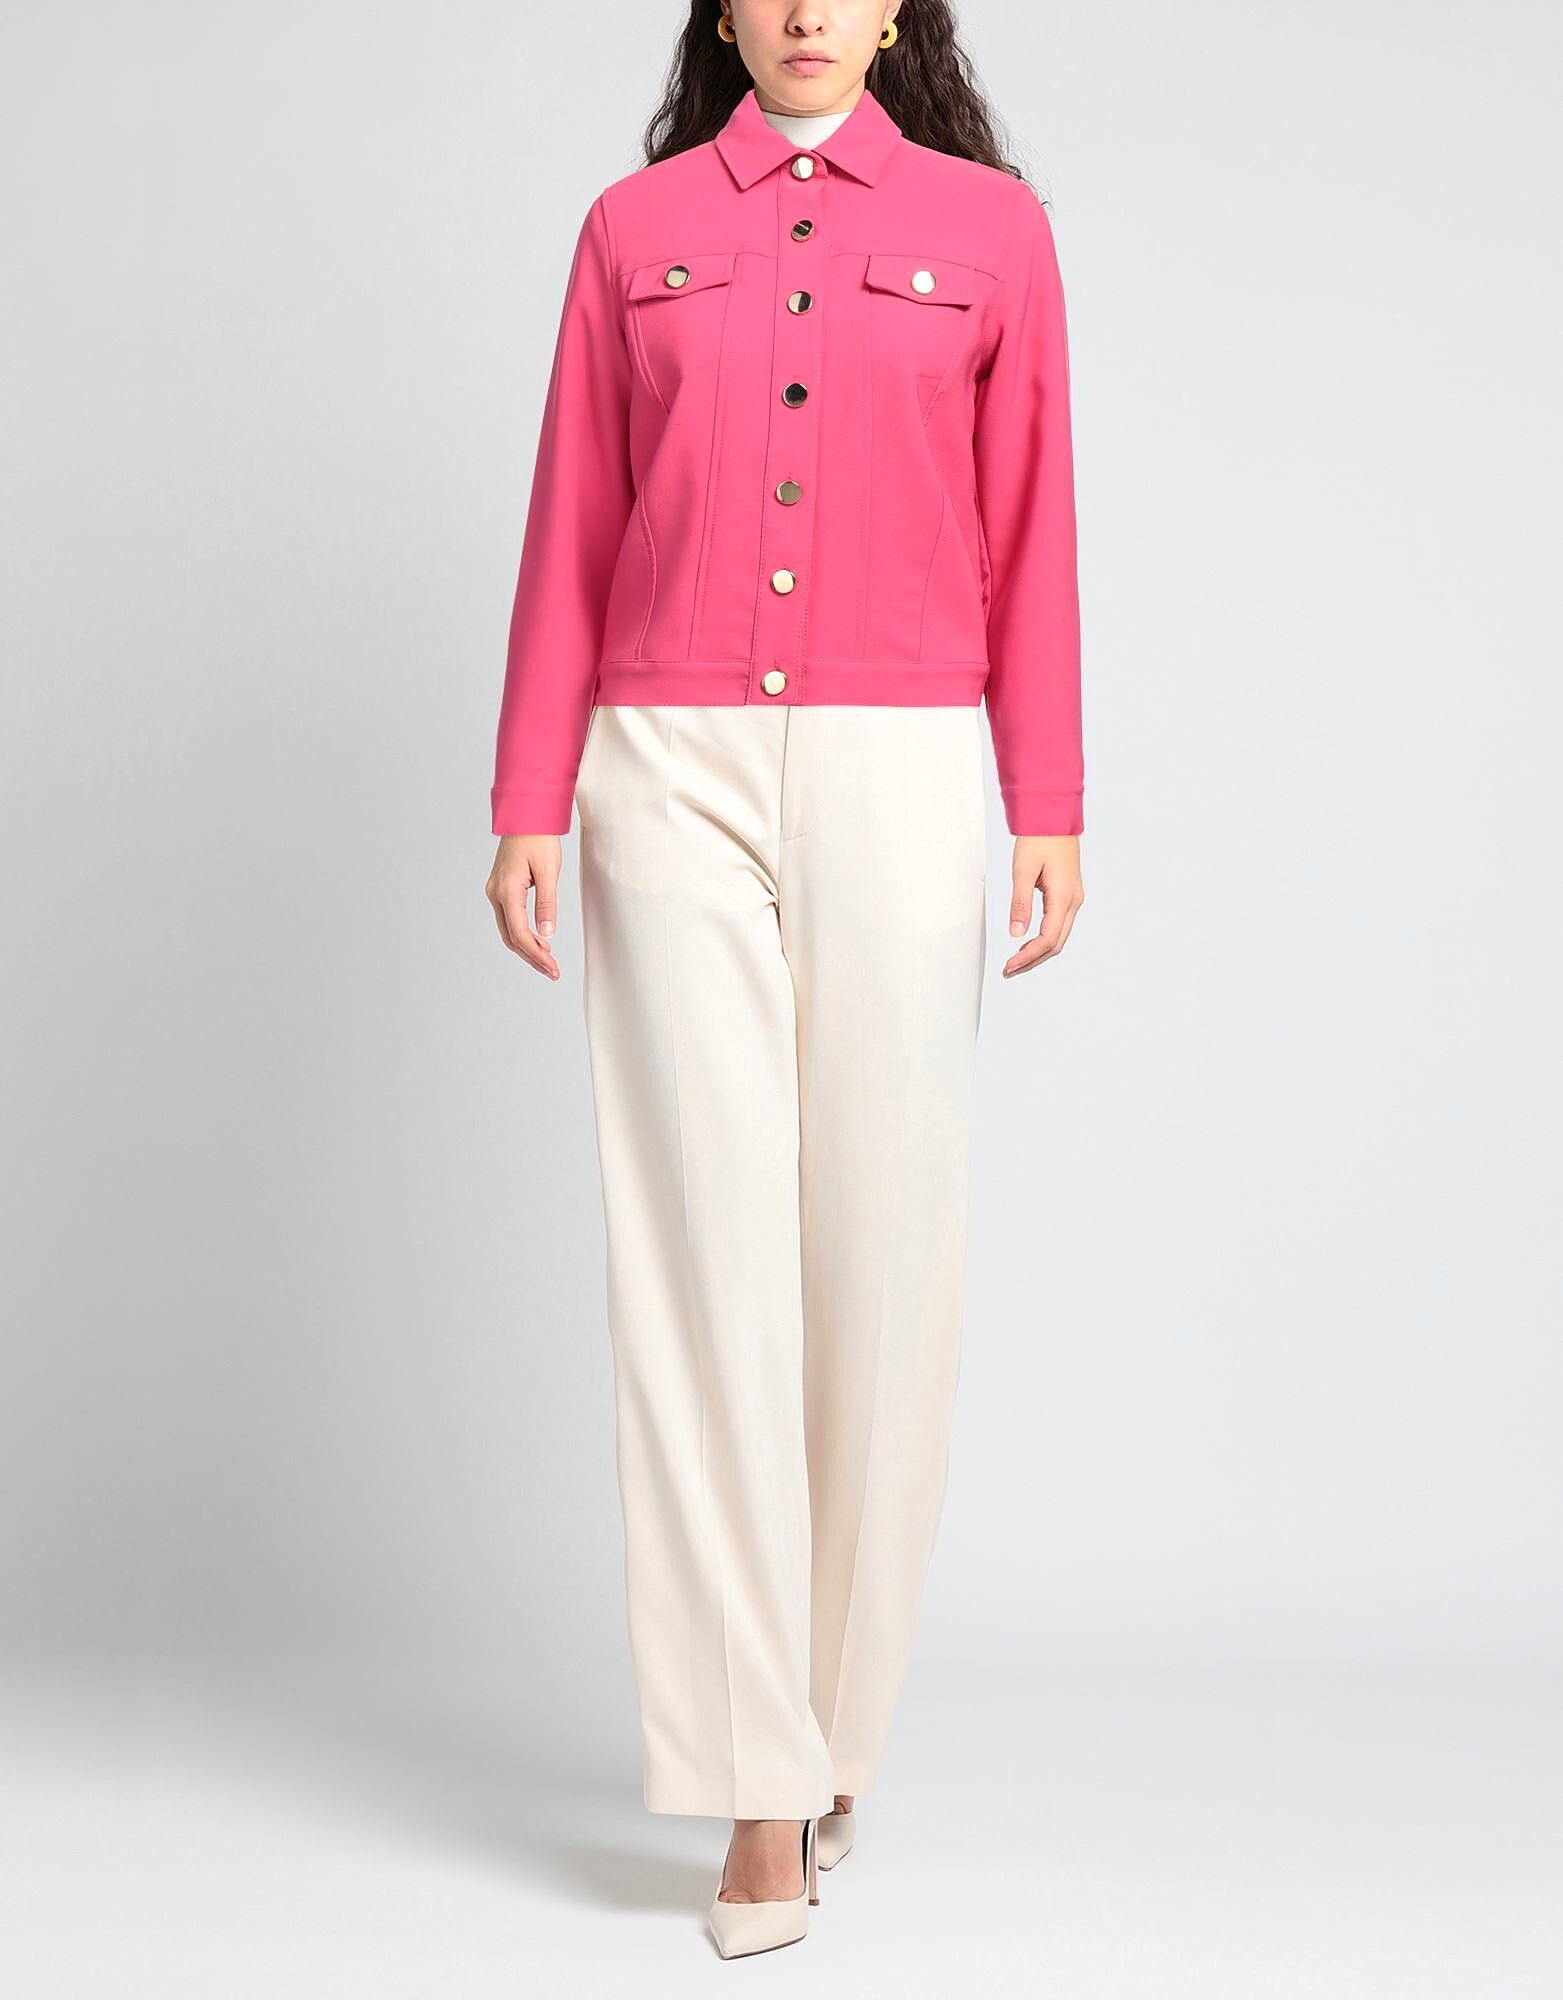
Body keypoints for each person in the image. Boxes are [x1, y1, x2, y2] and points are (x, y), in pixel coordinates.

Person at [485, 0, 1083, 1959]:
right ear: (724, 7)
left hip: (905, 763)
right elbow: (574, 520)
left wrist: (1049, 797)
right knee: (700, 1256)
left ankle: (832, 1727)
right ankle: (757, 1785)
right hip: (664, 762)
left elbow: (1033, 525)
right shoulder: (633, 229)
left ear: (900, 8)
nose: (811, 9)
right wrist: (531, 792)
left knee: (880, 1259)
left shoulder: (992, 233)